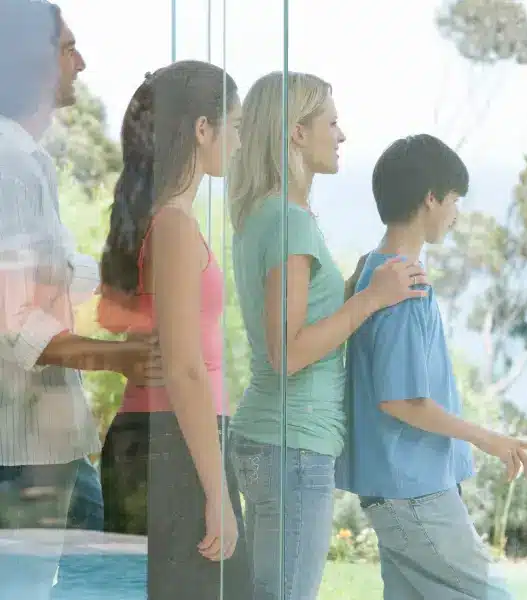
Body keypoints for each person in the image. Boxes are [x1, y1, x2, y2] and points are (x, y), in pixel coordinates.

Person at [227, 71, 427, 600]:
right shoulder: (290, 221)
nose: (342, 136)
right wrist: (370, 299)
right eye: (332, 123)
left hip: (274, 438)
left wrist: (353, 286)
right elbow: (288, 351)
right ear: (296, 133)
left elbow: (292, 323)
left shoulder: (264, 216)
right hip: (291, 445)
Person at [335, 134, 527, 600]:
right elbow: (401, 401)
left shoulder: (374, 271)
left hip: (393, 490)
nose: (456, 212)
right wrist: (491, 439)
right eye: (454, 200)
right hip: (415, 490)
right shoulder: (405, 284)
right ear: (430, 198)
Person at [0, 2, 159, 598]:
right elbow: (15, 325)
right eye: (69, 49)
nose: (81, 62)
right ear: (31, 60)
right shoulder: (9, 163)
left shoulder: (27, 162)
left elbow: (61, 274)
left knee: (107, 571)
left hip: (50, 446)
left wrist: (138, 283)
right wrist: (118, 357)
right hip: (20, 458)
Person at [96, 60, 251, 599]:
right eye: (235, 123)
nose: (238, 140)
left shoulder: (158, 220)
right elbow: (185, 368)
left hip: (160, 440)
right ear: (202, 129)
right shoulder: (175, 227)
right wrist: (216, 493)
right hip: (175, 443)